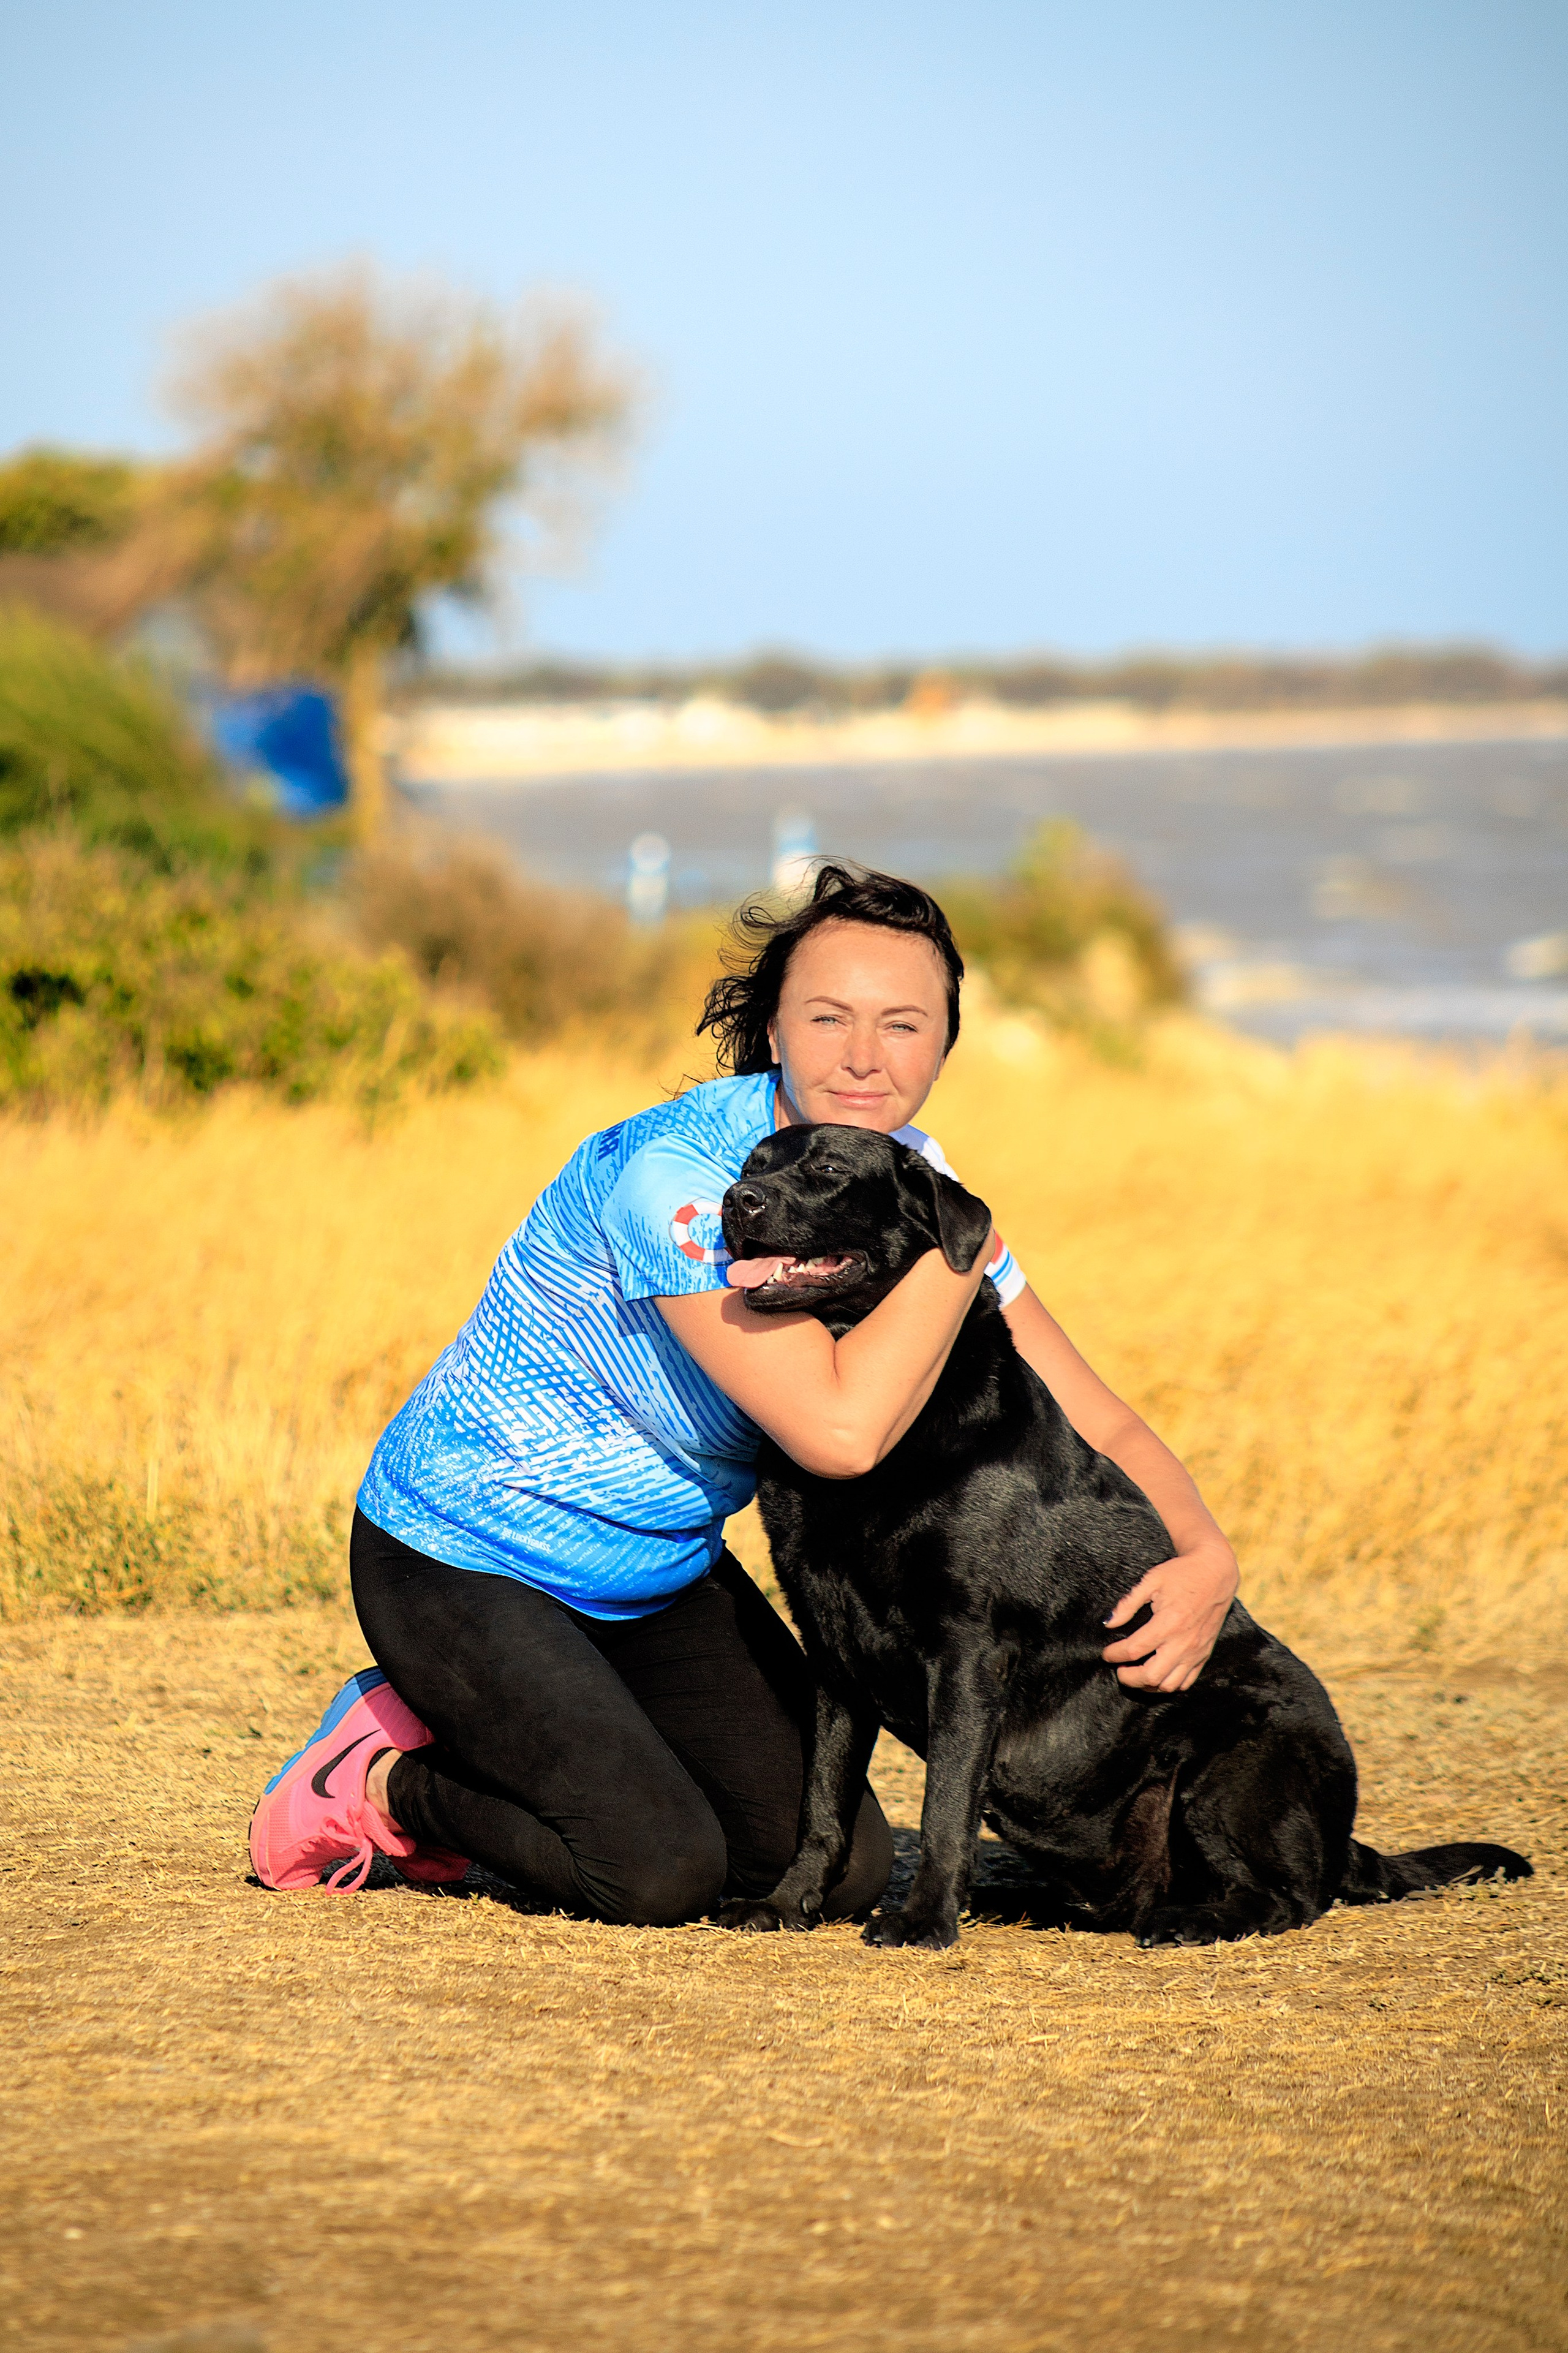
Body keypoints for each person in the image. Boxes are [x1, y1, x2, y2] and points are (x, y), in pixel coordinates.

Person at [248, 864, 1239, 1922]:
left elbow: (1093, 1412)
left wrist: (1206, 1558)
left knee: (839, 1868)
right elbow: (841, 1434)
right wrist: (962, 1244)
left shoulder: (911, 1179)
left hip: (657, 1571)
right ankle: (383, 1778)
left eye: (905, 1024)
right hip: (464, 1554)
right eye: (829, 1017)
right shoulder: (677, 1181)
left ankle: (572, 1723)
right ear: (774, 1027)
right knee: (652, 1868)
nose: (865, 1055)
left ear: (946, 1046)